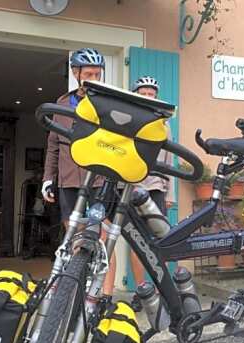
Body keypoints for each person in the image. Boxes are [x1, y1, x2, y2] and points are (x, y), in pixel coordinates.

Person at [41, 48, 119, 296]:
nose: (94, 78)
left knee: (104, 237)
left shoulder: (109, 102)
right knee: (74, 235)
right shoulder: (62, 104)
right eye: (89, 74)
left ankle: (104, 295)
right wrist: (47, 179)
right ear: (76, 74)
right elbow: (53, 144)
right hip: (68, 179)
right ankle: (77, 291)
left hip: (98, 179)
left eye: (98, 73)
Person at [126, 76, 174, 288]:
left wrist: (169, 193)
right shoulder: (127, 120)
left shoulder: (164, 125)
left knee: (159, 242)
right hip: (133, 187)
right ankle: (140, 289)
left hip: (156, 188)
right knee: (137, 241)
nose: (147, 98)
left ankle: (160, 288)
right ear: (136, 96)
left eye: (151, 95)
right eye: (143, 94)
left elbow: (169, 159)